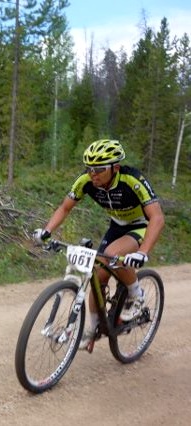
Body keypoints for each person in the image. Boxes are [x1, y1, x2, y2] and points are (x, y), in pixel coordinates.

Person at [33, 139, 165, 350]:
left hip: (142, 225)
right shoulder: (85, 181)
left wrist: (142, 252)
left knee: (111, 254)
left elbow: (157, 217)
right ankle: (93, 330)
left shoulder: (133, 180)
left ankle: (136, 295)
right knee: (96, 275)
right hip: (117, 226)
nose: (93, 173)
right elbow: (65, 207)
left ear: (115, 168)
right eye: (89, 168)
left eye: (99, 169)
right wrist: (47, 231)